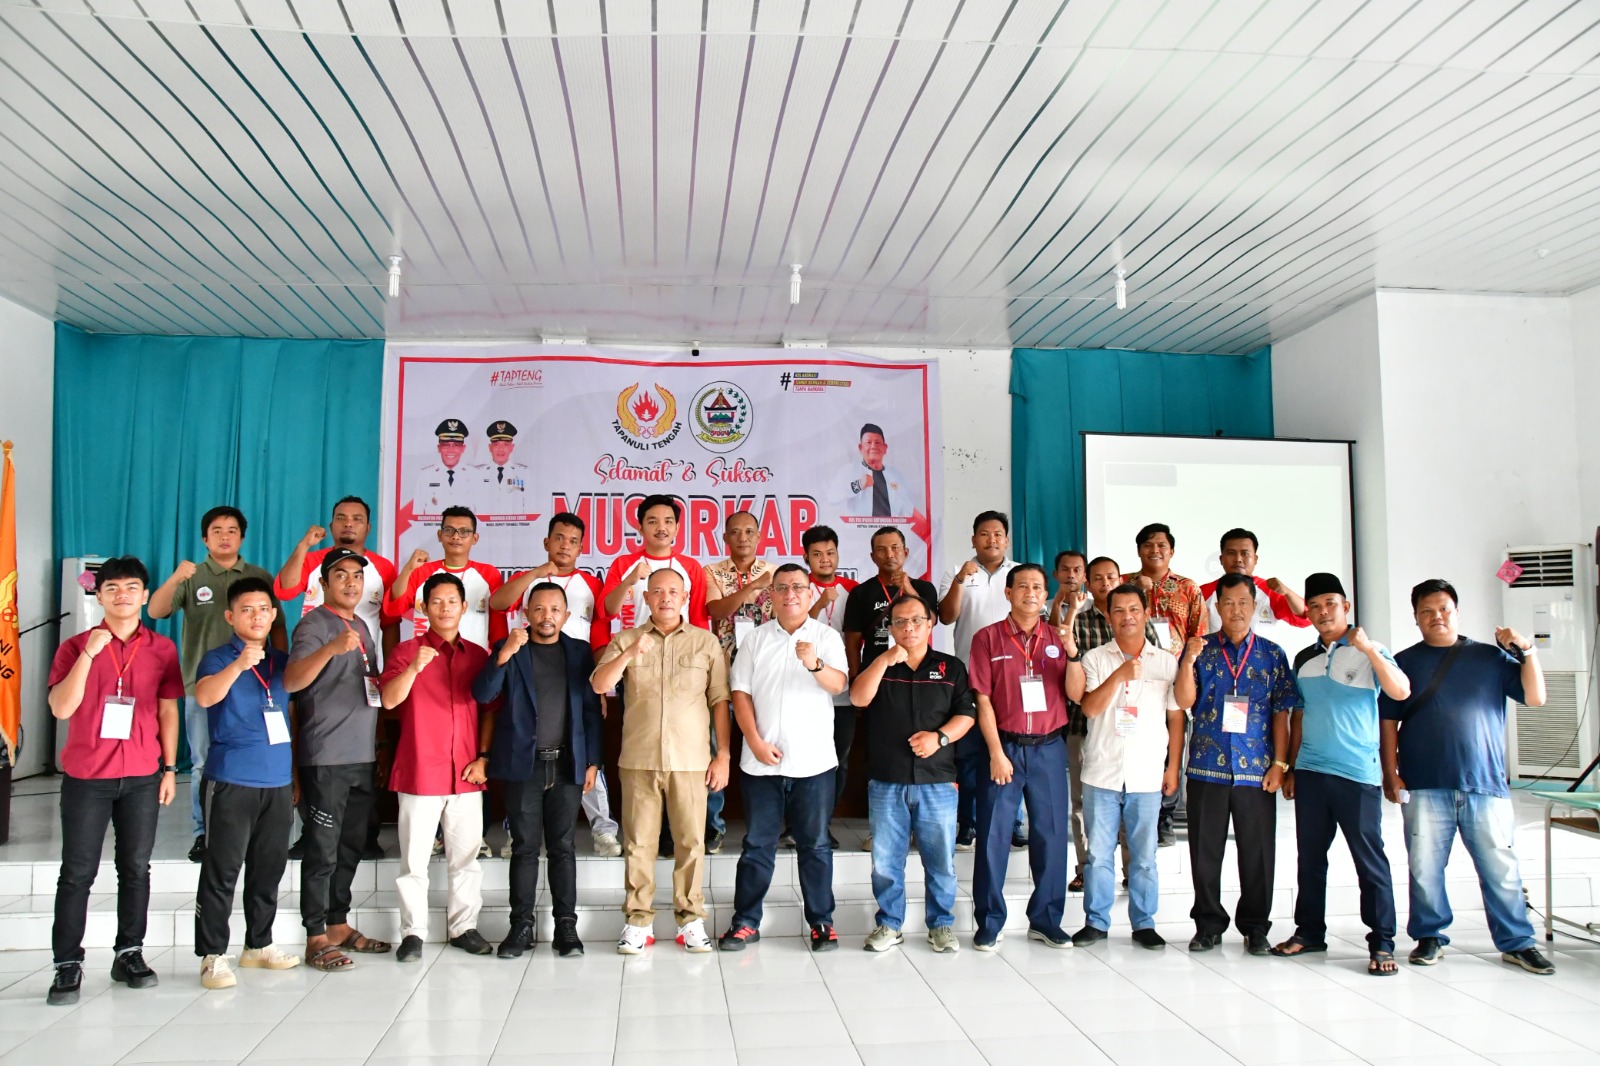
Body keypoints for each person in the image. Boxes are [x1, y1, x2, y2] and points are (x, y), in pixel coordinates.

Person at [1380, 578, 1555, 975]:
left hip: (1485, 781)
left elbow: (1535, 697)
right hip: (1424, 782)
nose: (1436, 616)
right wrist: (1391, 773)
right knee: (1425, 867)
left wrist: (1527, 651)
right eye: (1426, 611)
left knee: (1501, 867)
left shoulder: (1490, 658)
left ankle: (1517, 942)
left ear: (1456, 612)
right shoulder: (1403, 662)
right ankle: (1429, 936)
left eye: (1443, 609)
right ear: (1415, 618)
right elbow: (1388, 720)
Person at [44, 557, 181, 1005]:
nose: (123, 595)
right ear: (99, 595)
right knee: (77, 873)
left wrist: (169, 769)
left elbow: (167, 711)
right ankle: (67, 963)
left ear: (145, 595)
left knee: (136, 869)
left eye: (132, 587)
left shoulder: (162, 649)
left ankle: (129, 953)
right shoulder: (74, 647)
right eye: (113, 588)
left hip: (142, 775)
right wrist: (90, 653)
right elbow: (61, 708)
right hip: (88, 777)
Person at [1272, 573, 1407, 976]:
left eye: (1330, 603)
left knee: (1369, 861)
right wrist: (1291, 767)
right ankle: (1309, 932)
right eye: (1314, 606)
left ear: (1345, 607)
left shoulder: (1370, 651)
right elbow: (1298, 716)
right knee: (1310, 859)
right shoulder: (1304, 659)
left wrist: (1368, 649)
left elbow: (1400, 691)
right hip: (1311, 772)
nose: (1322, 612)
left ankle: (1382, 942)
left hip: (1357, 775)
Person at [591, 568, 730, 954]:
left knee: (691, 842)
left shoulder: (706, 642)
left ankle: (690, 920)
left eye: (673, 591)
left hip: (691, 760)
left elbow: (720, 699)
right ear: (646, 598)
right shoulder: (626, 639)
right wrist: (629, 654)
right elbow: (600, 684)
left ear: (685, 598)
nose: (665, 597)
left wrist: (723, 754)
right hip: (639, 759)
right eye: (657, 591)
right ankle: (638, 922)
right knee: (639, 844)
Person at [718, 564, 848, 953]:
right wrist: (755, 741)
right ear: (770, 595)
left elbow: (839, 684)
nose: (790, 594)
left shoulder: (827, 637)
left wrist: (815, 664)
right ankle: (745, 922)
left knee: (815, 845)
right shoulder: (755, 640)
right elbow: (739, 693)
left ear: (810, 595)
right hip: (762, 763)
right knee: (758, 844)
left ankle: (821, 922)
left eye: (798, 587)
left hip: (814, 763)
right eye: (782, 588)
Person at [474, 582, 604, 958]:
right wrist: (504, 654)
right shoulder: (509, 648)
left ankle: (566, 927)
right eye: (539, 609)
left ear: (566, 615)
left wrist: (593, 761)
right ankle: (521, 927)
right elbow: (483, 694)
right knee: (525, 848)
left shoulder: (579, 652)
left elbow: (591, 711)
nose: (547, 617)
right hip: (523, 766)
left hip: (567, 764)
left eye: (555, 610)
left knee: (563, 848)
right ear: (526, 613)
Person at [148, 505, 283, 863]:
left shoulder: (258, 576)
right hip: (203, 686)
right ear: (205, 538)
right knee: (203, 763)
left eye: (232, 530)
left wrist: (280, 676)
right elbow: (156, 611)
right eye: (217, 531)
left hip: (255, 687)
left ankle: (250, 831)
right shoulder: (192, 576)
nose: (225, 536)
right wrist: (176, 578)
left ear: (242, 537)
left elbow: (279, 628)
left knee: (253, 757)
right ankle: (203, 833)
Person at [1174, 573, 1300, 955]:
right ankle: (1208, 925)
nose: (1236, 610)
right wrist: (1188, 659)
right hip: (1206, 767)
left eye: (1243, 602)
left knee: (1258, 852)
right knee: (1204, 852)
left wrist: (1280, 764)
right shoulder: (1200, 650)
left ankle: (1256, 927)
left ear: (1255, 605)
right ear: (1217, 607)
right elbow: (1183, 701)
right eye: (1228, 603)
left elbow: (1282, 712)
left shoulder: (1272, 654)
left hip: (1256, 770)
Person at [190, 577, 300, 989]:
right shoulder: (218, 658)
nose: (257, 616)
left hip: (277, 780)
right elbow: (205, 697)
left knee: (268, 869)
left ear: (274, 615)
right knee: (222, 870)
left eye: (264, 609)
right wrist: (239, 666)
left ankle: (259, 944)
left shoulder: (283, 661)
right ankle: (212, 955)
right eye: (247, 609)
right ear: (230, 616)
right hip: (231, 780)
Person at [284, 549, 391, 972]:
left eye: (357, 576)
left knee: (349, 848)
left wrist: (379, 745)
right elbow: (292, 681)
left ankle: (338, 923)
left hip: (361, 755)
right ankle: (315, 937)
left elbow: (371, 688)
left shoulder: (362, 626)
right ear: (324, 583)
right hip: (326, 756)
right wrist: (330, 648)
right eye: (341, 575)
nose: (350, 583)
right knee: (322, 851)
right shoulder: (314, 625)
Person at [851, 594, 975, 953]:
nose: (909, 628)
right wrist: (884, 659)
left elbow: (967, 715)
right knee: (886, 861)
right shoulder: (879, 663)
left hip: (937, 780)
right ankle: (890, 924)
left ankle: (941, 925)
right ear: (891, 628)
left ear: (930, 622)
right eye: (900, 622)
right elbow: (858, 698)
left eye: (917, 620)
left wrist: (939, 738)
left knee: (941, 861)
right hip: (886, 779)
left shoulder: (950, 668)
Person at [489, 512, 618, 858]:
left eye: (573, 541)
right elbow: (498, 603)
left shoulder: (590, 584)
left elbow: (600, 635)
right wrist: (535, 574)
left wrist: (599, 687)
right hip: (530, 676)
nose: (565, 546)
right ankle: (516, 833)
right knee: (522, 758)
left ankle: (603, 830)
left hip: (578, 678)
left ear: (581, 548)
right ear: (547, 542)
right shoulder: (529, 580)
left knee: (585, 757)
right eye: (559, 538)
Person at [380, 573, 493, 962]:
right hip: (419, 772)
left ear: (465, 607)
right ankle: (413, 933)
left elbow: (490, 710)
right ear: (423, 608)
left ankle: (464, 927)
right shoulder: (405, 652)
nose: (445, 608)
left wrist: (484, 757)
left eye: (452, 601)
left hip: (466, 774)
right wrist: (413, 668)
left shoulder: (478, 656)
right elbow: (389, 701)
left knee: (466, 860)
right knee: (414, 862)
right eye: (437, 602)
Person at [1067, 582, 1185, 950]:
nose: (1127, 616)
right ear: (1108, 616)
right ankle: (1096, 922)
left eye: (1134, 609)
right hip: (1101, 773)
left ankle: (1144, 923)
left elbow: (1176, 718)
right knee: (1098, 855)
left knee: (1144, 856)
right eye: (1118, 610)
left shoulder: (1165, 662)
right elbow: (1089, 708)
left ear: (1146, 613)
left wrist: (1172, 768)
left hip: (1147, 774)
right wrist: (1119, 675)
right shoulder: (1095, 658)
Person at [968, 564, 1073, 950]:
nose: (1031, 592)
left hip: (1049, 748)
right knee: (993, 837)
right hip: (1004, 748)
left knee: (1051, 836)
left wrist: (1073, 651)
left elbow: (1075, 692)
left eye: (1038, 587)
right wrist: (996, 752)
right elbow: (982, 699)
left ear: (1046, 595)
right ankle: (989, 921)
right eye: (1023, 586)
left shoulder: (1059, 638)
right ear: (1008, 593)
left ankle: (1046, 919)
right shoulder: (987, 638)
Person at [1064, 556, 1160, 891]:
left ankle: (1132, 871)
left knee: (1129, 799)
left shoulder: (1139, 620)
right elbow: (1071, 667)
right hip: (1085, 724)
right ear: (1088, 583)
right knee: (1084, 803)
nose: (1105, 583)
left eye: (1111, 577)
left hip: (1133, 731)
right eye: (1098, 578)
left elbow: (1154, 667)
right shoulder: (1079, 621)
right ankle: (1085, 868)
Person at [841, 525, 937, 850]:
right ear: (872, 556)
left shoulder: (924, 588)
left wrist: (907, 587)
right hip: (878, 679)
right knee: (881, 751)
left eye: (895, 548)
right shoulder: (862, 593)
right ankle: (880, 828)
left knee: (921, 748)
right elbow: (852, 642)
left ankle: (919, 827)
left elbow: (933, 620)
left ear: (906, 552)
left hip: (921, 678)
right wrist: (856, 678)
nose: (889, 554)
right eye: (882, 549)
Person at [937, 511, 1020, 851]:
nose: (992, 539)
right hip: (969, 675)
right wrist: (960, 580)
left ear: (1006, 539)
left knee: (1012, 749)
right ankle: (968, 822)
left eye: (998, 534)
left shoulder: (1019, 574)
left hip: (1012, 678)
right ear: (974, 539)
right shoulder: (958, 571)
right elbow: (946, 617)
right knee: (970, 755)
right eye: (984, 534)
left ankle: (1014, 822)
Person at [703, 509, 778, 853]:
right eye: (735, 532)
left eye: (749, 531)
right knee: (715, 749)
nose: (743, 537)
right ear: (725, 538)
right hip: (722, 672)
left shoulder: (775, 572)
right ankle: (713, 825)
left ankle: (763, 826)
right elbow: (716, 611)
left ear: (760, 536)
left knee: (763, 745)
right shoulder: (713, 571)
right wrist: (752, 587)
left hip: (764, 674)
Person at [1130, 522, 1207, 847]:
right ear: (1139, 550)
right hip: (1134, 678)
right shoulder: (1126, 583)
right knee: (1135, 743)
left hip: (1174, 678)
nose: (1155, 550)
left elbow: (1198, 634)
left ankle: (1164, 817)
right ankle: (1133, 815)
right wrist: (1142, 591)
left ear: (1171, 551)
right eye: (1148, 545)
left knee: (1171, 746)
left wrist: (1191, 675)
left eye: (1161, 545)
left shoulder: (1188, 588)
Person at [274, 496, 399, 666]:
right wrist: (303, 545)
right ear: (331, 526)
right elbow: (285, 591)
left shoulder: (384, 568)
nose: (348, 524)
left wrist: (391, 670)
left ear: (368, 528)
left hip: (362, 666)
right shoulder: (311, 560)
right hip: (313, 663)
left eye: (357, 519)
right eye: (341, 518)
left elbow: (390, 623)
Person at [386, 506, 505, 651]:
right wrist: (408, 569)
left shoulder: (489, 574)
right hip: (426, 659)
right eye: (449, 530)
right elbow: (394, 607)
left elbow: (498, 629)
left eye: (464, 532)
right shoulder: (420, 571)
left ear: (475, 538)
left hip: (474, 660)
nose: (456, 537)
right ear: (440, 535)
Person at [803, 525, 857, 844]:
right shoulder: (799, 587)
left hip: (842, 688)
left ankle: (823, 824)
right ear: (806, 557)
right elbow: (794, 627)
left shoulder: (853, 589)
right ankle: (797, 825)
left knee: (840, 760)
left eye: (830, 553)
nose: (825, 559)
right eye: (817, 554)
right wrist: (820, 602)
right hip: (805, 688)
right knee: (802, 758)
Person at [600, 494, 711, 634]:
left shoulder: (691, 567)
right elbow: (608, 612)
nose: (661, 528)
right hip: (634, 644)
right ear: (641, 527)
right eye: (653, 522)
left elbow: (699, 620)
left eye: (668, 521)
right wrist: (628, 582)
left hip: (680, 645)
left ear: (677, 528)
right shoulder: (623, 564)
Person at [1198, 529, 1312, 635]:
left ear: (1255, 559)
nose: (1238, 559)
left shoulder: (1270, 591)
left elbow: (1305, 618)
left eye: (1245, 553)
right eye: (1231, 553)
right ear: (1221, 559)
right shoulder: (1202, 593)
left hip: (1263, 651)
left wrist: (1287, 593)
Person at [842, 423, 916, 518]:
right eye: (869, 442)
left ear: (885, 448)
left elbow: (907, 507)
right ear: (860, 448)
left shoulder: (896, 476)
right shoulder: (850, 470)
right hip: (859, 527)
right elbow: (833, 497)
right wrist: (858, 485)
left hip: (890, 526)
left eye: (877, 442)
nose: (873, 446)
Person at [413, 417, 481, 517]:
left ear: (463, 448)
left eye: (456, 445)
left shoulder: (475, 475)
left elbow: (481, 516)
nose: (451, 450)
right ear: (439, 448)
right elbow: (417, 515)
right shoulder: (425, 476)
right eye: (446, 445)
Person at [472, 419, 531, 516]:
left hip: (514, 525)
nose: (500, 449)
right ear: (490, 447)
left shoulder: (522, 473)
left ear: (512, 447)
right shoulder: (477, 473)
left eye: (505, 445)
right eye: (496, 444)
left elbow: (529, 508)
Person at [1046, 550, 1088, 628]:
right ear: (1055, 574)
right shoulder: (1044, 608)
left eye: (1077, 570)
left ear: (1085, 576)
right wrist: (1057, 604)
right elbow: (1051, 634)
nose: (1071, 575)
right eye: (1065, 569)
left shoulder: (1093, 606)